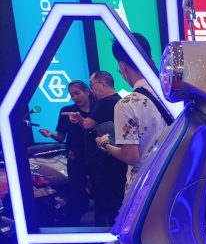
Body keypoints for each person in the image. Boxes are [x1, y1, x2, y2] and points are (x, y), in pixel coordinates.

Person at [95, 33, 173, 191]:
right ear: (152, 62)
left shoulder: (126, 104)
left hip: (144, 189)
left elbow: (131, 157)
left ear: (122, 67)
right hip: (173, 182)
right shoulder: (173, 96)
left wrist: (105, 144)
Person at [39, 80, 94, 226]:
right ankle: (74, 225)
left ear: (87, 91)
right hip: (75, 158)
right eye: (72, 95)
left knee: (101, 192)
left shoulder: (98, 108)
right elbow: (61, 137)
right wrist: (50, 134)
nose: (74, 97)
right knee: (76, 192)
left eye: (77, 93)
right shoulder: (66, 111)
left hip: (97, 157)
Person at [79, 71, 127, 226]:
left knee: (104, 200)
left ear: (102, 84)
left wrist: (80, 120)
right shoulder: (120, 101)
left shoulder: (104, 102)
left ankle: (104, 232)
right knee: (118, 198)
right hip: (120, 156)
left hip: (104, 160)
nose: (92, 90)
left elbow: (87, 124)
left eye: (92, 85)